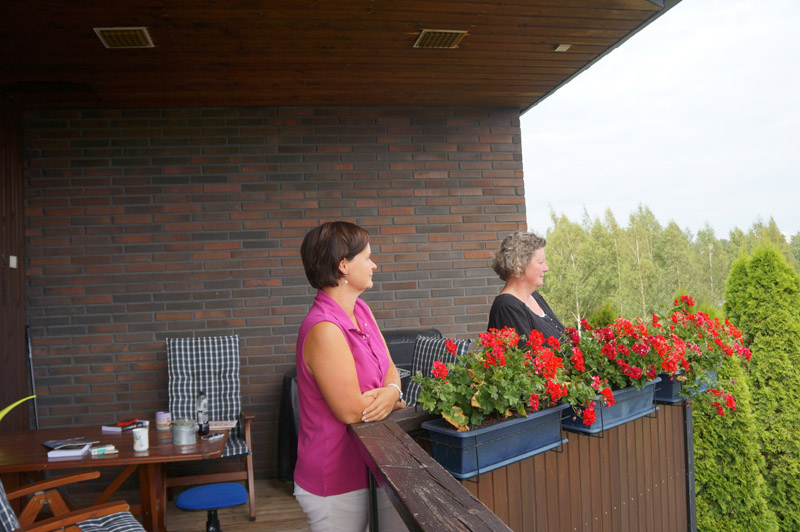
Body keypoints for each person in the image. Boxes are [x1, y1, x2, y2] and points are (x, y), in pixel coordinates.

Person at [294, 221, 407, 532]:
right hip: (336, 479)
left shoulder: (362, 311)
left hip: (367, 466)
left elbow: (391, 371)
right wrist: (390, 396)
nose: (374, 265)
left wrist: (391, 392)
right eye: (367, 257)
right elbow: (352, 410)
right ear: (343, 265)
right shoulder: (324, 329)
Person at [487, 231, 565, 341]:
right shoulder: (507, 308)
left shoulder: (534, 296)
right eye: (540, 262)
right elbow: (525, 355)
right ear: (520, 265)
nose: (546, 268)